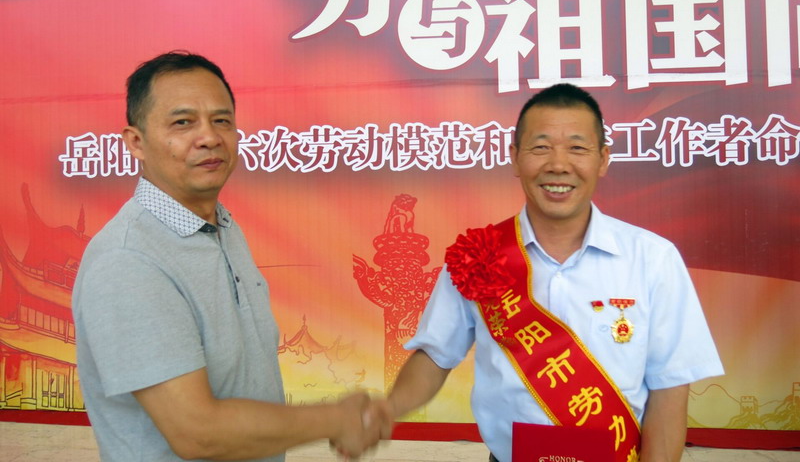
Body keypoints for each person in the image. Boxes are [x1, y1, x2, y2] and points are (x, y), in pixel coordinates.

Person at [73, 51, 390, 462]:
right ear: (136, 142)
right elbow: (196, 433)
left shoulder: (222, 226)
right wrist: (335, 420)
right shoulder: (128, 261)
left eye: (222, 121)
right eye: (183, 122)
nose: (209, 137)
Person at [383, 83, 724, 462]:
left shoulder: (652, 258)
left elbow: (669, 386)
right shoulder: (478, 256)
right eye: (540, 147)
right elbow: (435, 356)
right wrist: (383, 413)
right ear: (515, 158)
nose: (558, 165)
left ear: (603, 159)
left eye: (577, 148)